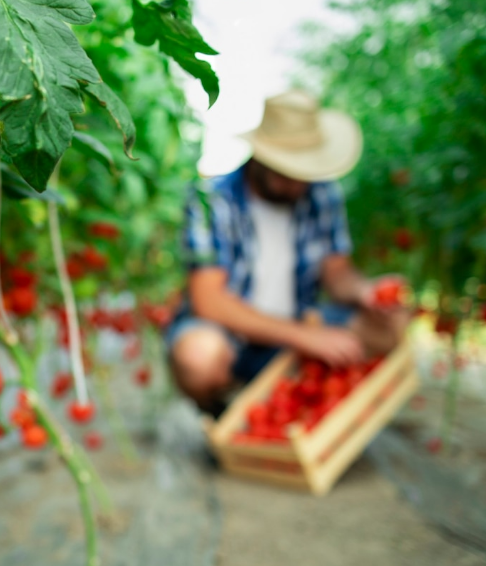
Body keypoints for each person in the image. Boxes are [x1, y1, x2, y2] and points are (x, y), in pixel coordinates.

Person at [166, 90, 408, 413]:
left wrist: (365, 291)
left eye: (304, 172)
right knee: (198, 356)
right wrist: (304, 337)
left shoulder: (322, 195)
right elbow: (209, 300)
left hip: (299, 324)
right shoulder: (211, 200)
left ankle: (305, 403)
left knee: (394, 324)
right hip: (233, 337)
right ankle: (222, 410)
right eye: (286, 171)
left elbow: (337, 273)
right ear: (261, 157)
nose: (298, 183)